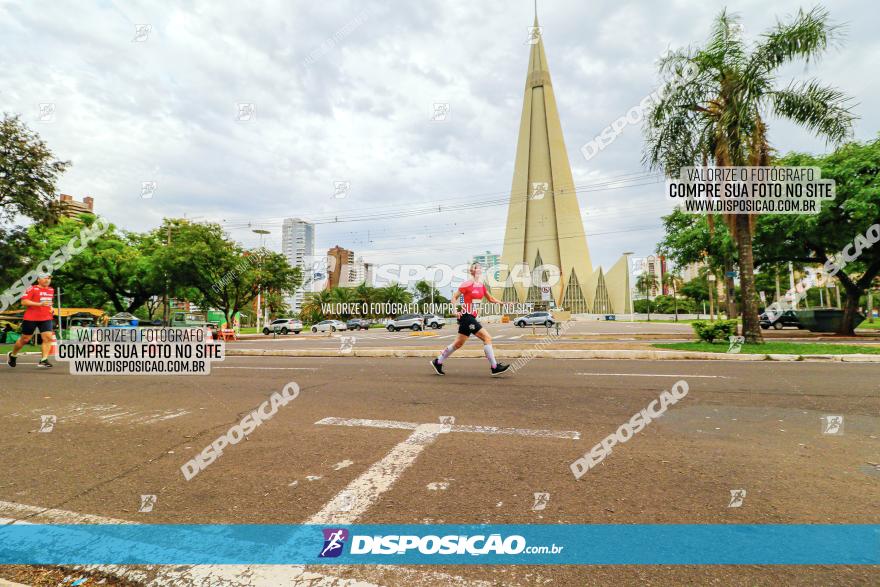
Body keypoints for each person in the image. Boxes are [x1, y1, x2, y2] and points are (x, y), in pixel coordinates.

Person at [431, 263, 509, 376]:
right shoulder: (467, 284)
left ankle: (438, 361)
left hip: (471, 317)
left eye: (479, 267)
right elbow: (454, 297)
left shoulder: (481, 286)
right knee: (487, 338)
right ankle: (494, 367)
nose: (478, 269)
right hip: (466, 316)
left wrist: (503, 303)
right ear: (471, 271)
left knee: (458, 344)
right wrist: (454, 310)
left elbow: (490, 298)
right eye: (476, 267)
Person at [7, 272, 56, 369]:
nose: (47, 280)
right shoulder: (32, 289)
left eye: (49, 278)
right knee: (25, 339)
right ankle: (13, 355)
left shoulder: (51, 290)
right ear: (38, 280)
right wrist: (39, 304)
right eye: (45, 278)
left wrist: (51, 307)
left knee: (48, 338)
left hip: (46, 317)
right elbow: (24, 302)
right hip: (31, 318)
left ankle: (44, 360)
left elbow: (48, 302)